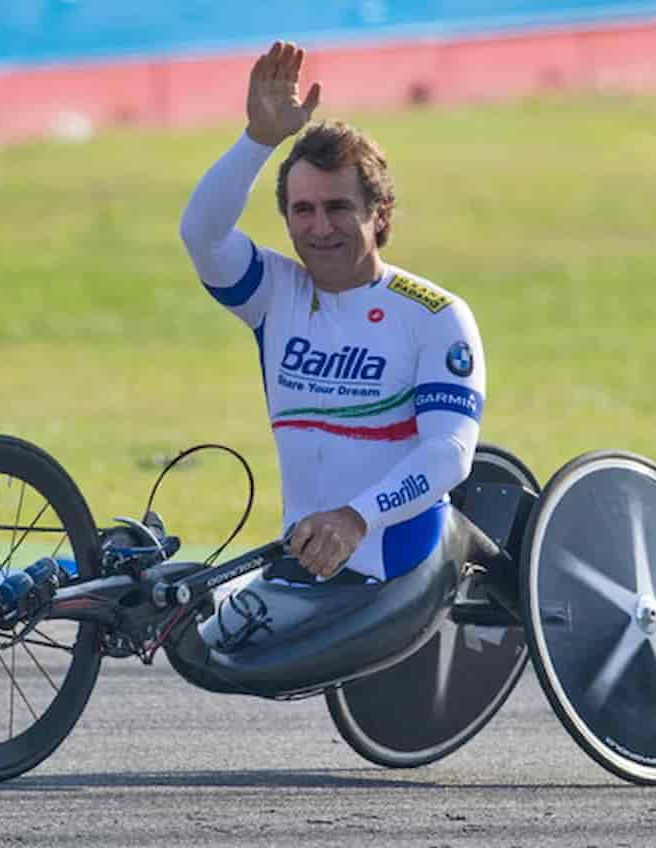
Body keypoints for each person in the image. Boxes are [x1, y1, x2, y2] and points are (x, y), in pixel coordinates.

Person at [179, 41, 486, 648]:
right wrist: (257, 141)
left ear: (380, 212)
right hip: (301, 565)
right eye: (303, 210)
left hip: (392, 565)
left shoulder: (436, 316)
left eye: (338, 208)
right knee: (177, 627)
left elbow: (450, 452)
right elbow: (202, 234)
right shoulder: (275, 293)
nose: (319, 228)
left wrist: (355, 518)